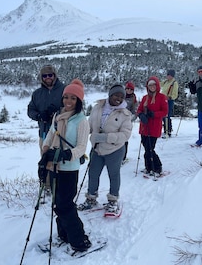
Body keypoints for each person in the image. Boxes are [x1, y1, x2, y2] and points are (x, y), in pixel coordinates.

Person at [40, 78, 91, 252]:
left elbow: (82, 147)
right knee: (57, 203)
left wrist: (66, 154)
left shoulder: (81, 121)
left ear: (79, 101)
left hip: (69, 169)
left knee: (66, 205)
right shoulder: (57, 115)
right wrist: (45, 152)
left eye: (73, 98)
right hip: (53, 166)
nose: (68, 101)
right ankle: (64, 234)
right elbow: (49, 135)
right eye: (66, 97)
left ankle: (79, 240)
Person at [78, 84, 132, 213]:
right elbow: (89, 125)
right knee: (93, 174)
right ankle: (91, 198)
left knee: (113, 175)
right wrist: (81, 134)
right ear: (110, 95)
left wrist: (107, 137)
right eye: (115, 95)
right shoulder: (98, 107)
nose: (118, 98)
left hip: (115, 150)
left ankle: (113, 200)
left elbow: (125, 135)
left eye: (121, 96)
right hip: (97, 149)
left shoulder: (125, 114)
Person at [28, 64, 65, 191]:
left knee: (60, 159)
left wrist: (59, 111)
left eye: (50, 75)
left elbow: (75, 106)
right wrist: (39, 116)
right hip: (44, 132)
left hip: (61, 133)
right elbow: (30, 110)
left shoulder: (64, 89)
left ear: (55, 75)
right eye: (45, 76)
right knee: (45, 159)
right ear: (41, 77)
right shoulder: (37, 94)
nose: (48, 78)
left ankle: (60, 185)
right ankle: (47, 185)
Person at [137, 77, 168, 175]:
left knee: (150, 148)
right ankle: (148, 167)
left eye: (154, 85)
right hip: (144, 126)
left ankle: (157, 166)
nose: (152, 87)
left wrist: (154, 114)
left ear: (157, 85)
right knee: (146, 147)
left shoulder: (162, 97)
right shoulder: (145, 98)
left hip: (154, 127)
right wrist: (141, 115)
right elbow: (139, 109)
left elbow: (165, 111)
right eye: (150, 85)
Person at [122, 81, 138, 164]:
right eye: (127, 88)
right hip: (116, 121)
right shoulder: (121, 96)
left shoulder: (133, 99)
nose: (129, 90)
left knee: (124, 140)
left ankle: (123, 158)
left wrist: (129, 119)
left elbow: (135, 112)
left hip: (126, 123)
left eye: (131, 89)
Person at [160, 69, 179, 138]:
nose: (168, 76)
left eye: (169, 75)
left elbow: (175, 94)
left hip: (169, 101)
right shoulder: (165, 82)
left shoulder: (174, 83)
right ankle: (166, 129)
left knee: (166, 116)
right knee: (163, 116)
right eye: (167, 75)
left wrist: (170, 97)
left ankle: (168, 131)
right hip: (162, 100)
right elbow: (159, 84)